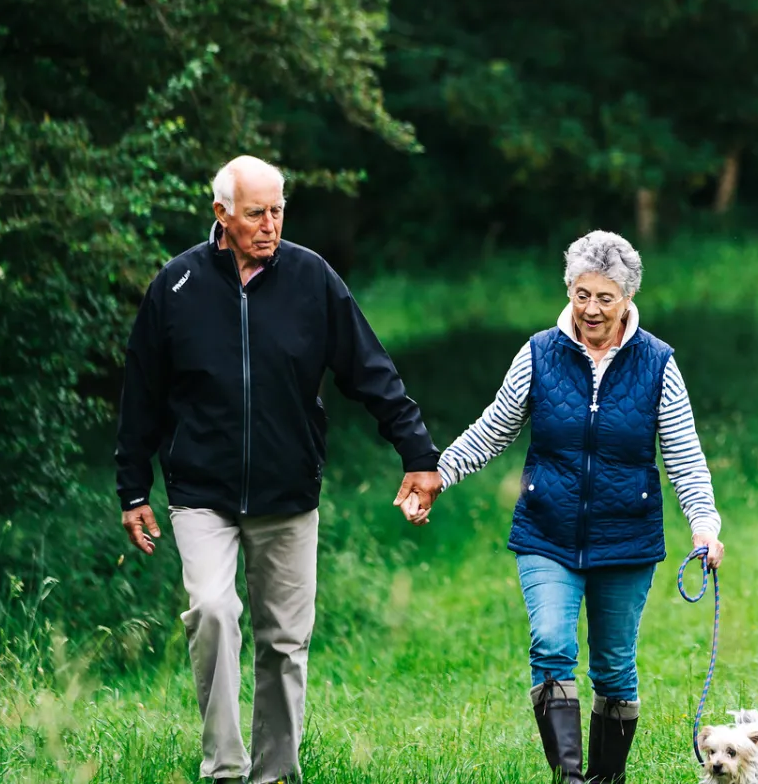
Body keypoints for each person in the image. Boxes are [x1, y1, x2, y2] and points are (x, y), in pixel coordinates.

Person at [113, 155, 443, 784]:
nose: (270, 225)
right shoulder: (176, 286)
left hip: (288, 491)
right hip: (200, 493)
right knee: (212, 610)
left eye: (278, 211)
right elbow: (142, 392)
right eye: (256, 213)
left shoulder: (310, 278)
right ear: (222, 215)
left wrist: (418, 452)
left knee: (284, 643)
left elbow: (367, 368)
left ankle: (275, 774)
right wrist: (133, 486)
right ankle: (225, 769)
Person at [427, 229, 725, 784]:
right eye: (581, 294)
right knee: (551, 643)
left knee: (614, 667)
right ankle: (569, 779)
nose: (591, 308)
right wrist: (439, 474)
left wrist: (704, 525)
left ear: (628, 299)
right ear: (569, 290)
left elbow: (685, 457)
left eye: (604, 297)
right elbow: (493, 428)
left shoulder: (658, 363)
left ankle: (606, 780)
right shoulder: (539, 353)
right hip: (547, 532)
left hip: (627, 539)